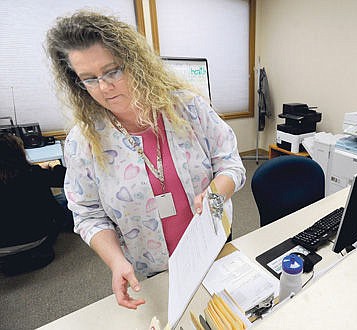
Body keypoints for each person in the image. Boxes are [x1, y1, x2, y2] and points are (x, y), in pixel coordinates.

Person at [45, 10, 246, 309]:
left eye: (112, 71)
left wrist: (217, 194)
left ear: (135, 63)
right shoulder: (84, 141)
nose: (104, 87)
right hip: (149, 271)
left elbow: (229, 162)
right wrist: (116, 262)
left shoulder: (188, 108)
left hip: (213, 246)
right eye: (89, 79)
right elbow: (87, 213)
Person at [0, 134, 69, 276]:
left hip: (3, 250)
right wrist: (54, 166)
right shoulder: (33, 174)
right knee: (64, 198)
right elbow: (67, 179)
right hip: (39, 241)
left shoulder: (33, 173)